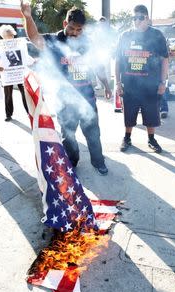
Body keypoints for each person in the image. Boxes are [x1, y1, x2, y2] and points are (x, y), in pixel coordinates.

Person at [21, 2, 112, 175]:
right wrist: (27, 17)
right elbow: (34, 38)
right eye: (72, 28)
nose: (75, 33)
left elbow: (98, 66)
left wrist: (107, 85)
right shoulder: (54, 41)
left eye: (79, 30)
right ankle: (72, 162)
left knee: (93, 134)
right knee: (68, 136)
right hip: (64, 101)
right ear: (65, 24)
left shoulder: (88, 43)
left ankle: (98, 162)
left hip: (88, 99)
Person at [115, 4, 169, 153]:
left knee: (151, 115)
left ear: (147, 18)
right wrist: (118, 83)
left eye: (140, 18)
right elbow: (118, 60)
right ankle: (127, 138)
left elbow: (165, 59)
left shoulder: (157, 35)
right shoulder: (125, 36)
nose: (137, 21)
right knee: (129, 115)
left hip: (150, 85)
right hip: (130, 84)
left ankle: (151, 139)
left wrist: (163, 82)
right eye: (134, 18)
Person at [0, 24, 29, 122]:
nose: (11, 37)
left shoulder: (19, 44)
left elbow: (24, 56)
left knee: (25, 93)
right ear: (3, 36)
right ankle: (8, 114)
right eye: (8, 35)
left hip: (19, 72)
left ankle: (29, 112)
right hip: (7, 73)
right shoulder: (0, 46)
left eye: (12, 35)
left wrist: (32, 61)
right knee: (8, 94)